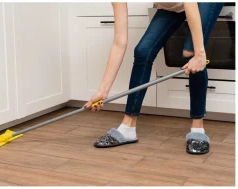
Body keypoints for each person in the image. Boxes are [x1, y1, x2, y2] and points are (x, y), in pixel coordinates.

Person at [84, 2, 224, 154]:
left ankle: (198, 128)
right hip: (173, 5)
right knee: (143, 51)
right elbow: (119, 42)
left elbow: (190, 6)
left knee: (191, 53)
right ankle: (128, 128)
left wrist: (200, 54)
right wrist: (103, 91)